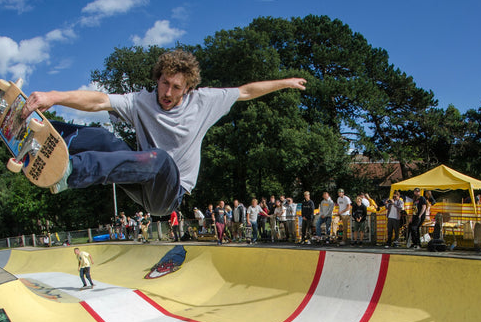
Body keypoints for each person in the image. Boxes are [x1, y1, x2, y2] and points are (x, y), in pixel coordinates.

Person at [21, 49, 306, 217]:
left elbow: (245, 91)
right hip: (138, 180)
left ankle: (68, 173)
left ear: (189, 89)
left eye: (176, 87)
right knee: (105, 138)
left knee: (159, 158)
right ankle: (39, 135)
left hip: (169, 193)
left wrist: (285, 82)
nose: (167, 93)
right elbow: (98, 100)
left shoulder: (205, 101)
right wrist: (53, 97)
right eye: (164, 83)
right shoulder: (141, 101)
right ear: (157, 78)